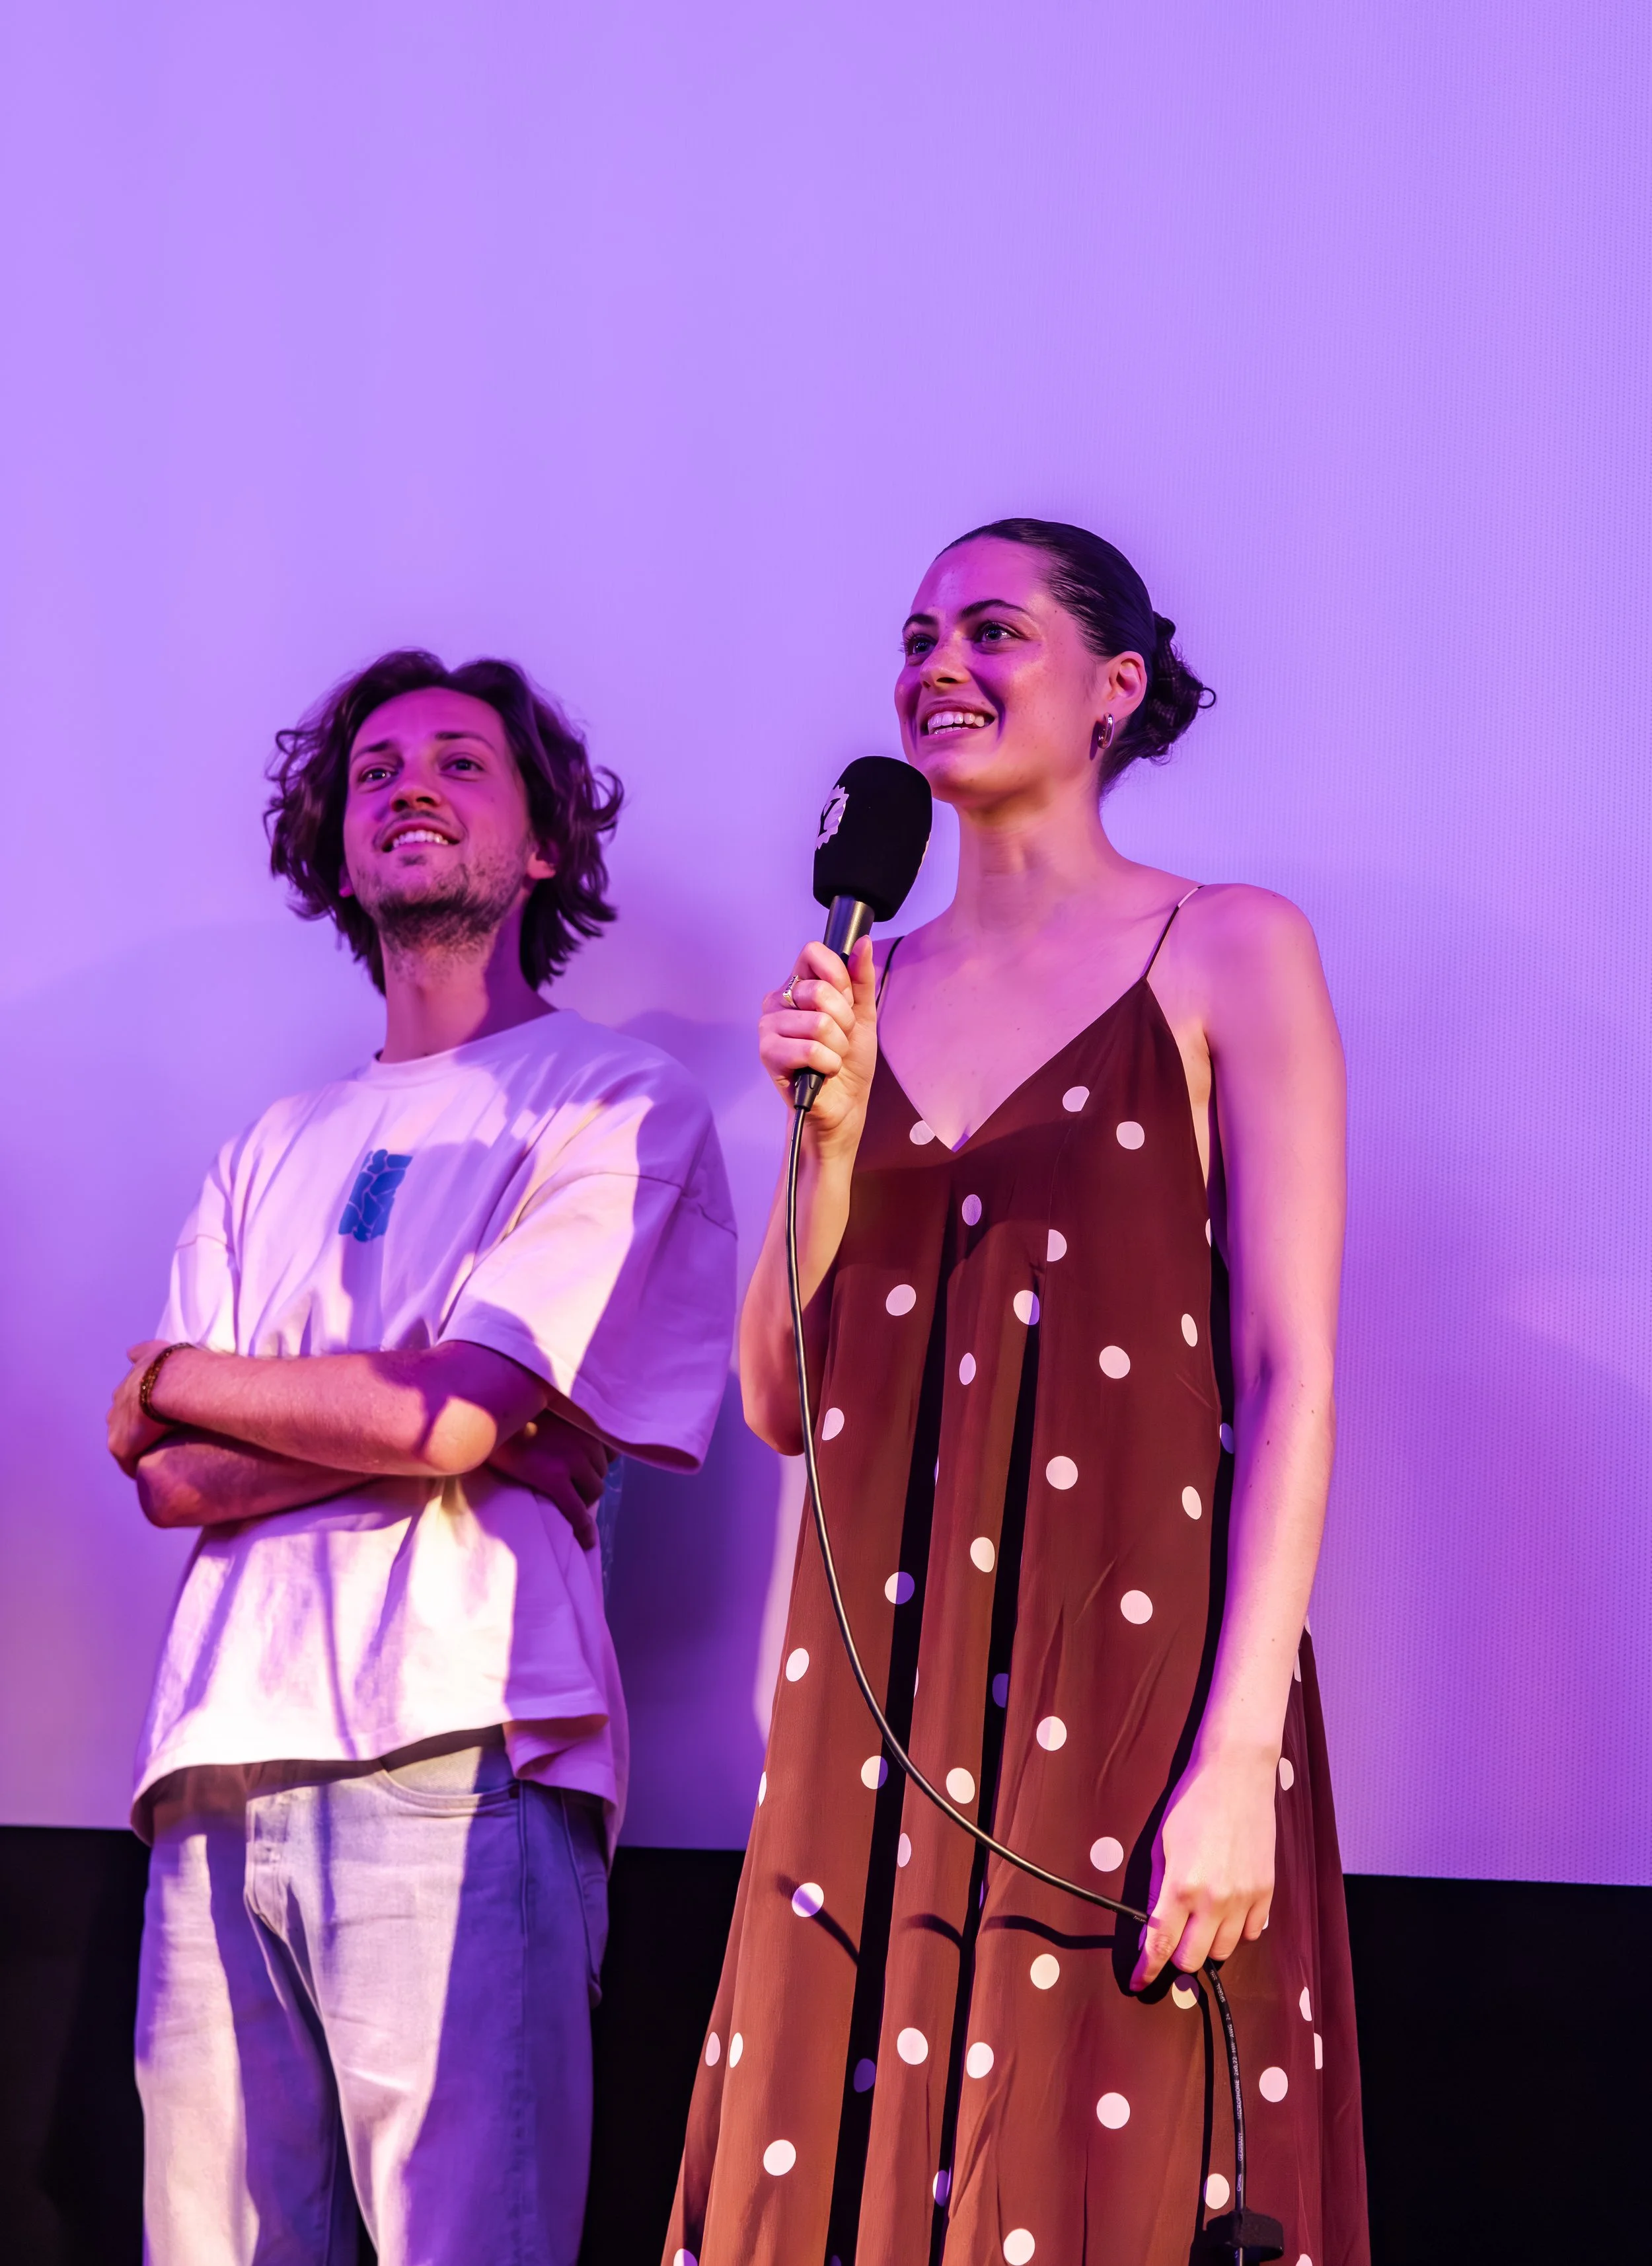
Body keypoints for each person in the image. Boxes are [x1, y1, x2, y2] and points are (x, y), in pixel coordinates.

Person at [666, 520, 1367, 2265]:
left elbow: (1290, 1371)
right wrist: (817, 1134)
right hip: (865, 1712)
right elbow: (776, 1393)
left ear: (1115, 686)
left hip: (1125, 1685)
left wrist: (1235, 1762)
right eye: (915, 636)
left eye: (992, 628)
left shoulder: (1226, 948)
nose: (938, 665)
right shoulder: (861, 983)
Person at [107, 650, 737, 2266]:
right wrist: (438, 1433)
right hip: (218, 1761)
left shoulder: (615, 1101)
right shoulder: (267, 1143)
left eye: (462, 763)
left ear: (541, 846)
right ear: (336, 844)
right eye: (377, 768)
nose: (410, 785)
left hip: (464, 1745)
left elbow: (441, 1412)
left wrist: (193, 1376)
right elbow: (176, 1484)